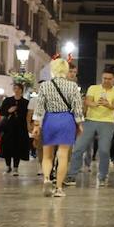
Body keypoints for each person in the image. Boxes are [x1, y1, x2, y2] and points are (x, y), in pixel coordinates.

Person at [65, 68, 114, 187]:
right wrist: (95, 104)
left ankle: (102, 176)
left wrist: (108, 104)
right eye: (104, 78)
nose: (106, 81)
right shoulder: (93, 88)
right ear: (101, 78)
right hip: (90, 121)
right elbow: (87, 101)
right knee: (78, 148)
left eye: (109, 79)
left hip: (107, 122)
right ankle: (72, 175)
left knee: (104, 150)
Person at [36, 57, 83, 199]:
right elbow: (77, 108)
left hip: (50, 119)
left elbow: (39, 108)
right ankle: (59, 188)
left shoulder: (44, 86)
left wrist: (37, 125)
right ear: (66, 70)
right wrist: (79, 125)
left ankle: (46, 179)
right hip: (66, 121)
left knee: (47, 156)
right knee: (63, 156)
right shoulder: (73, 87)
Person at [0, 84, 31, 175]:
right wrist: (9, 111)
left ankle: (16, 168)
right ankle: (8, 166)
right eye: (15, 88)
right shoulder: (8, 100)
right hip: (9, 127)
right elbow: (1, 112)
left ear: (22, 90)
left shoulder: (26, 102)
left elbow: (28, 115)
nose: (17, 90)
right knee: (7, 147)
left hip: (20, 128)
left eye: (19, 89)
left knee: (18, 148)